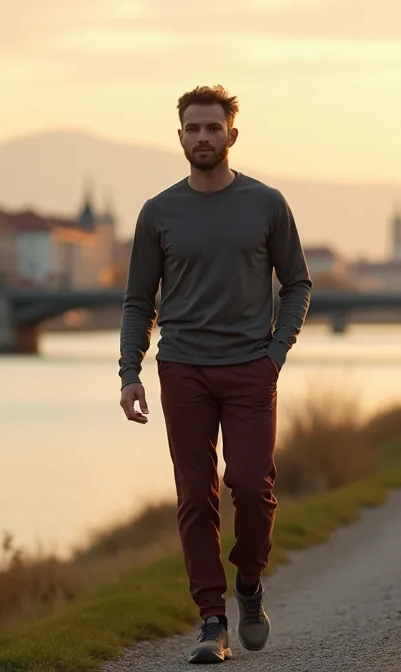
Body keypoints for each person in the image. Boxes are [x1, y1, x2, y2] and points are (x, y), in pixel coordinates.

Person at [117, 85, 312, 664]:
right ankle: (210, 622)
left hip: (251, 369)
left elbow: (297, 283)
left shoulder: (267, 204)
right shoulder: (158, 212)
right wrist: (131, 372)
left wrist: (274, 354)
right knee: (194, 498)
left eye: (212, 128)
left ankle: (248, 584)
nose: (203, 137)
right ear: (180, 137)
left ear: (232, 134)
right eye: (192, 129)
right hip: (183, 371)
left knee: (252, 488)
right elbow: (137, 301)